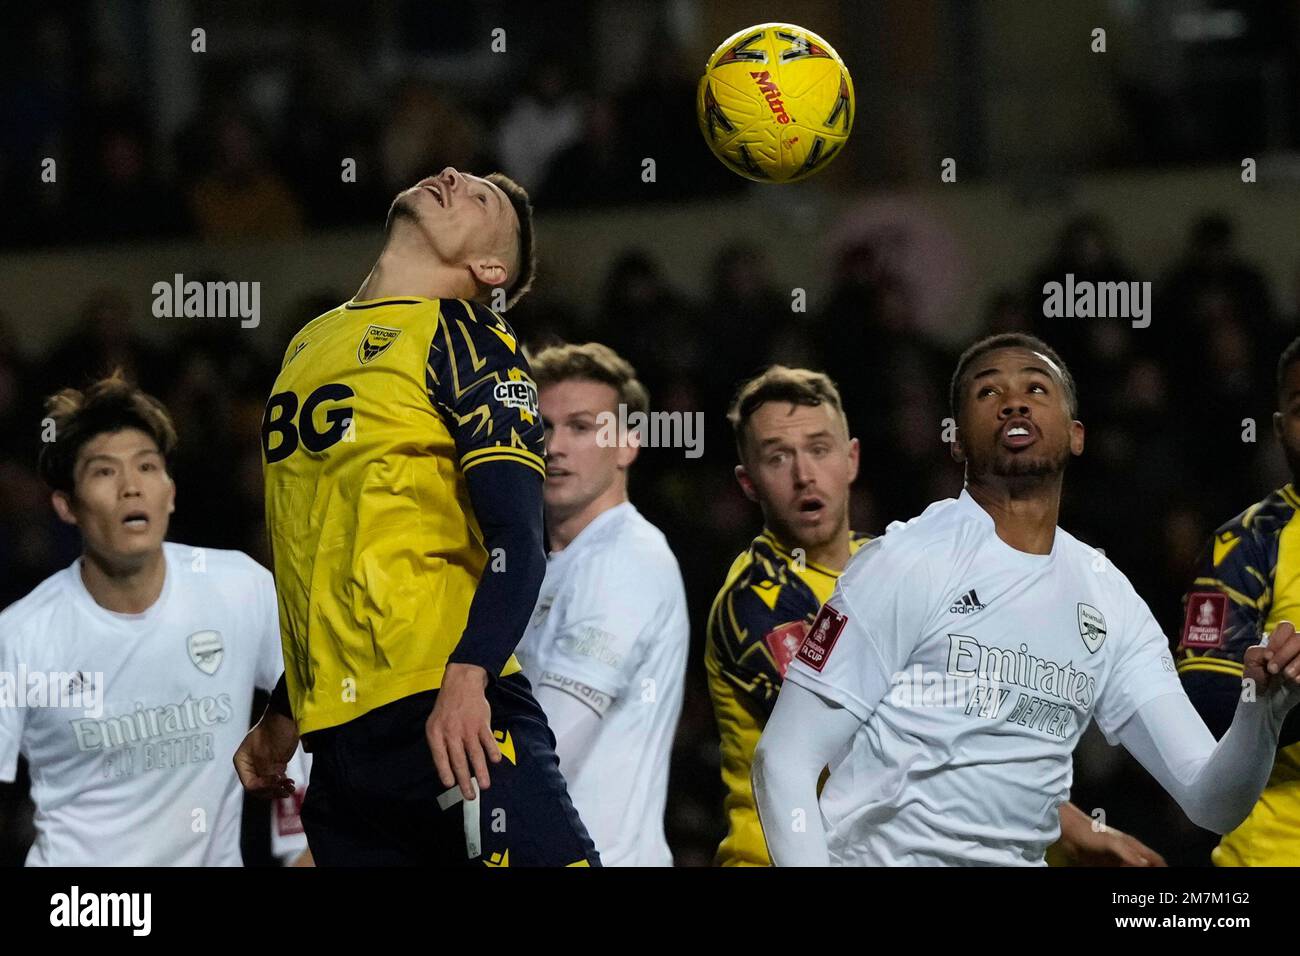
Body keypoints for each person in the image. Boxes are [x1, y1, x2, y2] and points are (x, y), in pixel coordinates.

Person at [753, 334, 1300, 866]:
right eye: (987, 392)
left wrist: (1261, 713)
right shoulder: (904, 563)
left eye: (1037, 389)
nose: (1014, 400)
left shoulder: (1108, 597)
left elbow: (1212, 802)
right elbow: (784, 760)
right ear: (957, 441)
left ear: (1077, 433)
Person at [235, 166, 598, 867]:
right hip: (337, 744)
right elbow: (329, 556)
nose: (453, 174)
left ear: (489, 267)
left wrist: (469, 680)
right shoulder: (307, 343)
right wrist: (284, 716)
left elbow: (518, 539)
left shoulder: (471, 337)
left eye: (482, 198)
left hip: (446, 706)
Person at [712, 364, 1162, 866]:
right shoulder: (757, 598)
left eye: (819, 449)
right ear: (748, 483)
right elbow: (891, 741)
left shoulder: (893, 563)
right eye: (777, 458)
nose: (803, 475)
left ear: (851, 458)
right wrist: (1074, 828)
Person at [0, 374, 309, 866]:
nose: (130, 487)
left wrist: (301, 848)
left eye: (147, 466)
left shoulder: (238, 588)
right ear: (66, 505)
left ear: (169, 492)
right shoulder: (21, 637)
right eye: (103, 472)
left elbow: (313, 703)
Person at [514, 342, 687, 866]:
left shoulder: (624, 560)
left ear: (627, 445)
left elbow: (549, 751)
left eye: (582, 427)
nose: (553, 446)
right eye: (542, 426)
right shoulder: (545, 568)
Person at [1175, 335, 1300, 865]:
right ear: (1278, 430)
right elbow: (1202, 695)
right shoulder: (1250, 541)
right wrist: (1274, 699)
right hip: (1273, 855)